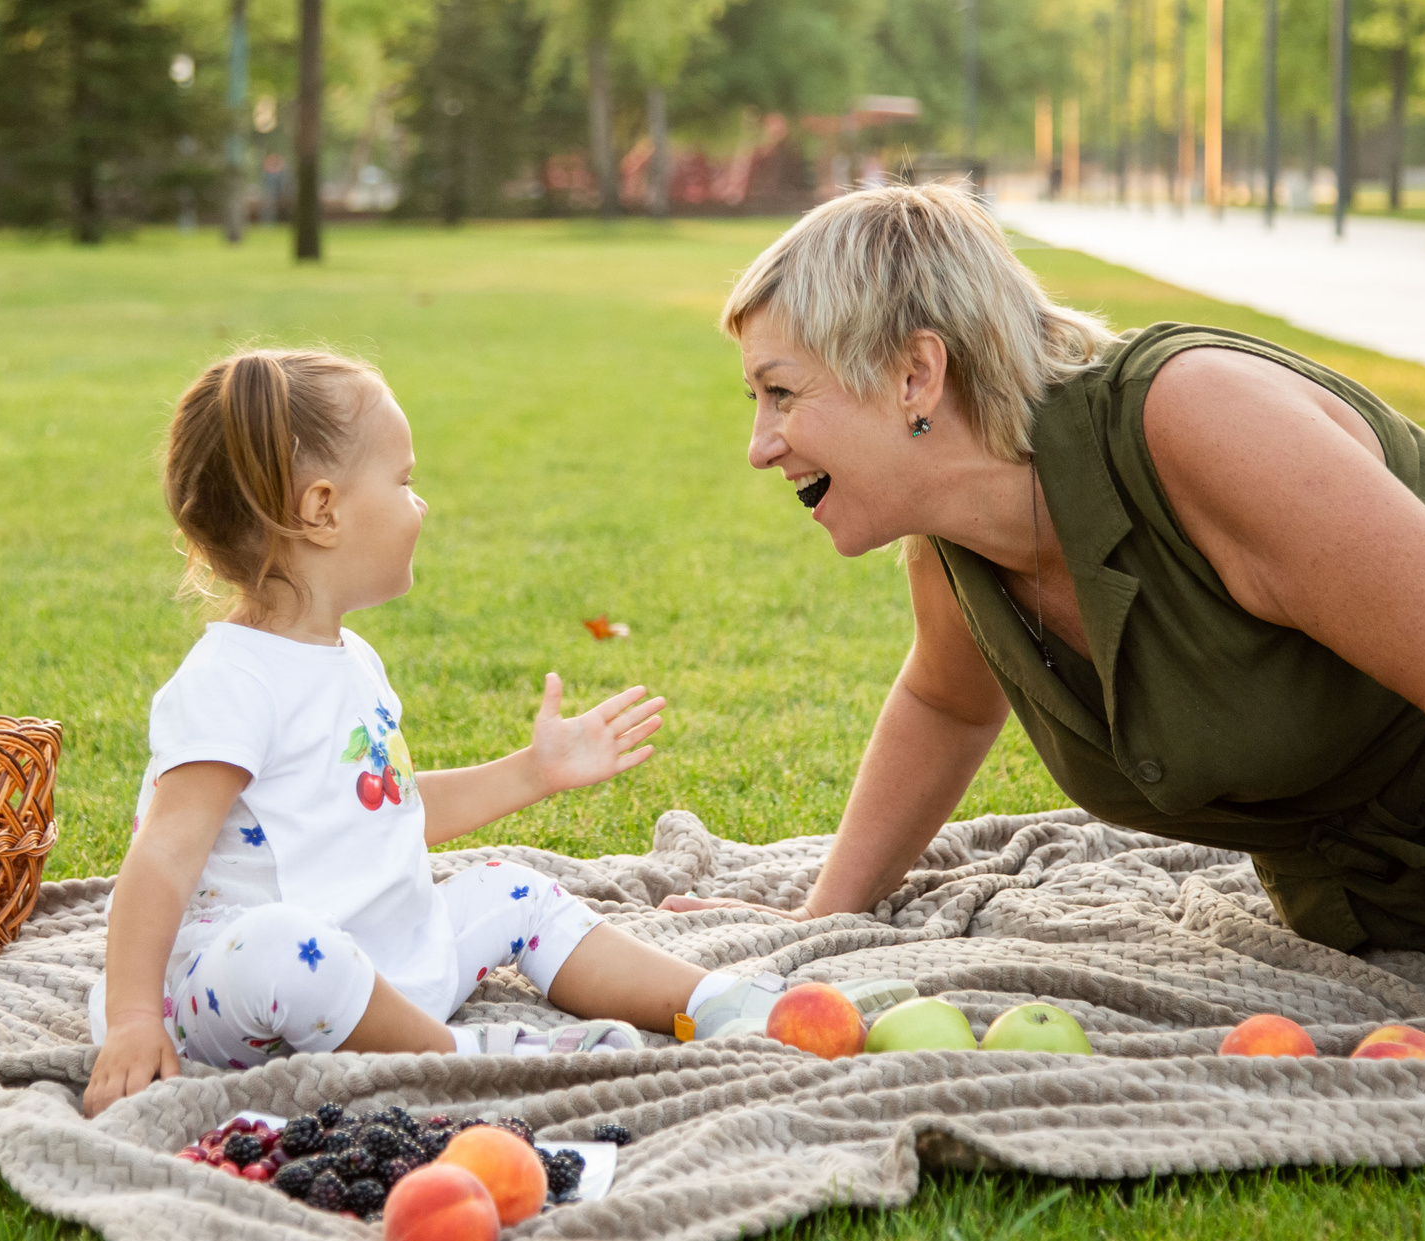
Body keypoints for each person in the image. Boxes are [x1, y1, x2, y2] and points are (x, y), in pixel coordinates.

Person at [667, 183, 1425, 1059]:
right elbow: (942, 700)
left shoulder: (1192, 419)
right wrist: (819, 922)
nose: (759, 443)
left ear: (916, 375)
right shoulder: (960, 545)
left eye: (782, 395)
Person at [83, 348, 895, 1116]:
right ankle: (457, 1056)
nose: (421, 502)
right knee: (281, 943)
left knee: (514, 888)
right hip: (240, 999)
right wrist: (130, 1020)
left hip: (379, 962)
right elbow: (161, 857)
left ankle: (706, 1000)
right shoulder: (230, 681)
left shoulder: (349, 658)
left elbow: (380, 815)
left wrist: (533, 771)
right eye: (403, 481)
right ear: (322, 509)